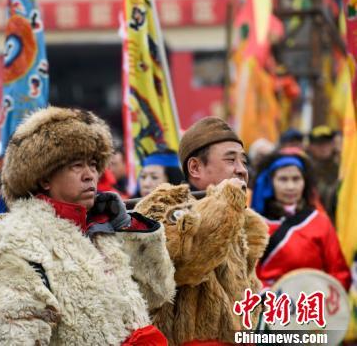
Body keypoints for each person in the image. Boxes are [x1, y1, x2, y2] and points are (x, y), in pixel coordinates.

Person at [0, 107, 175, 344]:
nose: (90, 174)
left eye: (93, 164)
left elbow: (157, 294)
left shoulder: (103, 226)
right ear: (44, 178)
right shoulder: (17, 238)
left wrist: (130, 229)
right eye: (76, 165)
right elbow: (12, 337)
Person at [135, 116, 269, 345]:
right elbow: (188, 267)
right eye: (231, 160)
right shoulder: (161, 205)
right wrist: (226, 202)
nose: (242, 170)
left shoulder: (239, 216)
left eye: (243, 161)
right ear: (195, 167)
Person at [252, 148, 351, 290]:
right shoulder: (256, 224)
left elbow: (339, 272)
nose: (290, 186)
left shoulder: (319, 221)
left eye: (296, 179)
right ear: (270, 182)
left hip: (314, 304)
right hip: (271, 306)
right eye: (283, 179)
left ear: (305, 182)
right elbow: (248, 276)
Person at [306, 125, 339, 221]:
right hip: (315, 220)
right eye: (319, 144)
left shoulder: (342, 167)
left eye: (327, 143)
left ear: (333, 144)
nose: (324, 147)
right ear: (311, 146)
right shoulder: (305, 168)